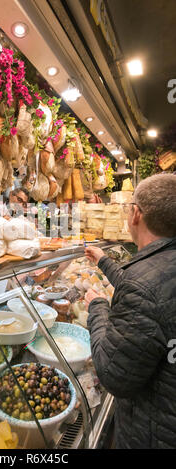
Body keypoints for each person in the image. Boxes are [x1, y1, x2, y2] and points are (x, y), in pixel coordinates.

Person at [84, 173, 176, 449]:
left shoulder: (143, 285)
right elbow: (155, 291)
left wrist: (98, 307)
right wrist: (105, 261)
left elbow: (113, 376)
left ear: (135, 214)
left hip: (153, 434)